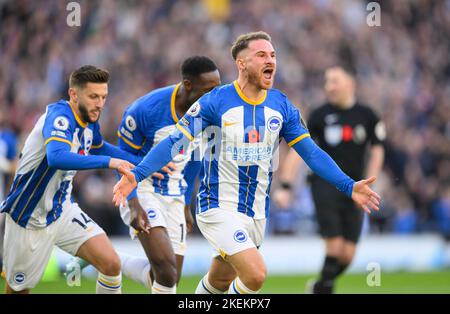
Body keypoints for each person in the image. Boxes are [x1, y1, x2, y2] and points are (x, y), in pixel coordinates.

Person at [113, 31, 381, 294]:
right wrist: (137, 174)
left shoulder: (281, 105)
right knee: (255, 275)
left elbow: (310, 152)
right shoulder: (214, 103)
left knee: (219, 281)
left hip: (256, 213)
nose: (271, 61)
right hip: (218, 207)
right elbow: (175, 143)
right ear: (242, 63)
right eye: (261, 55)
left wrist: (349, 185)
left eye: (273, 55)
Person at [0, 65, 143, 294]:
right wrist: (110, 163)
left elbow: (98, 146)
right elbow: (56, 157)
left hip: (61, 210)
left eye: (104, 97)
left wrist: (143, 162)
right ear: (73, 94)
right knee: (18, 291)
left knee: (111, 264)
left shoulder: (89, 118)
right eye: (94, 96)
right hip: (28, 217)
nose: (100, 103)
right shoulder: (59, 117)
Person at [273, 66, 385, 293]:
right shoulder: (319, 115)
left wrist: (370, 181)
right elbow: (299, 149)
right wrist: (286, 185)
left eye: (334, 81)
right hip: (325, 185)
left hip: (357, 187)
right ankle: (322, 290)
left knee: (347, 254)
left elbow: (377, 149)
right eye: (327, 81)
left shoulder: (368, 115)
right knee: (334, 247)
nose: (329, 87)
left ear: (350, 83)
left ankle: (319, 287)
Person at [115, 56, 220, 294]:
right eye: (209, 90)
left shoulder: (207, 113)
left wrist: (185, 203)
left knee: (168, 277)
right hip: (142, 190)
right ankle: (108, 260)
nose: (215, 96)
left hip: (174, 194)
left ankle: (111, 260)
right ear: (188, 85)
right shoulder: (145, 110)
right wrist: (132, 202)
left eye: (218, 88)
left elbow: (194, 159)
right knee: (166, 270)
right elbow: (122, 160)